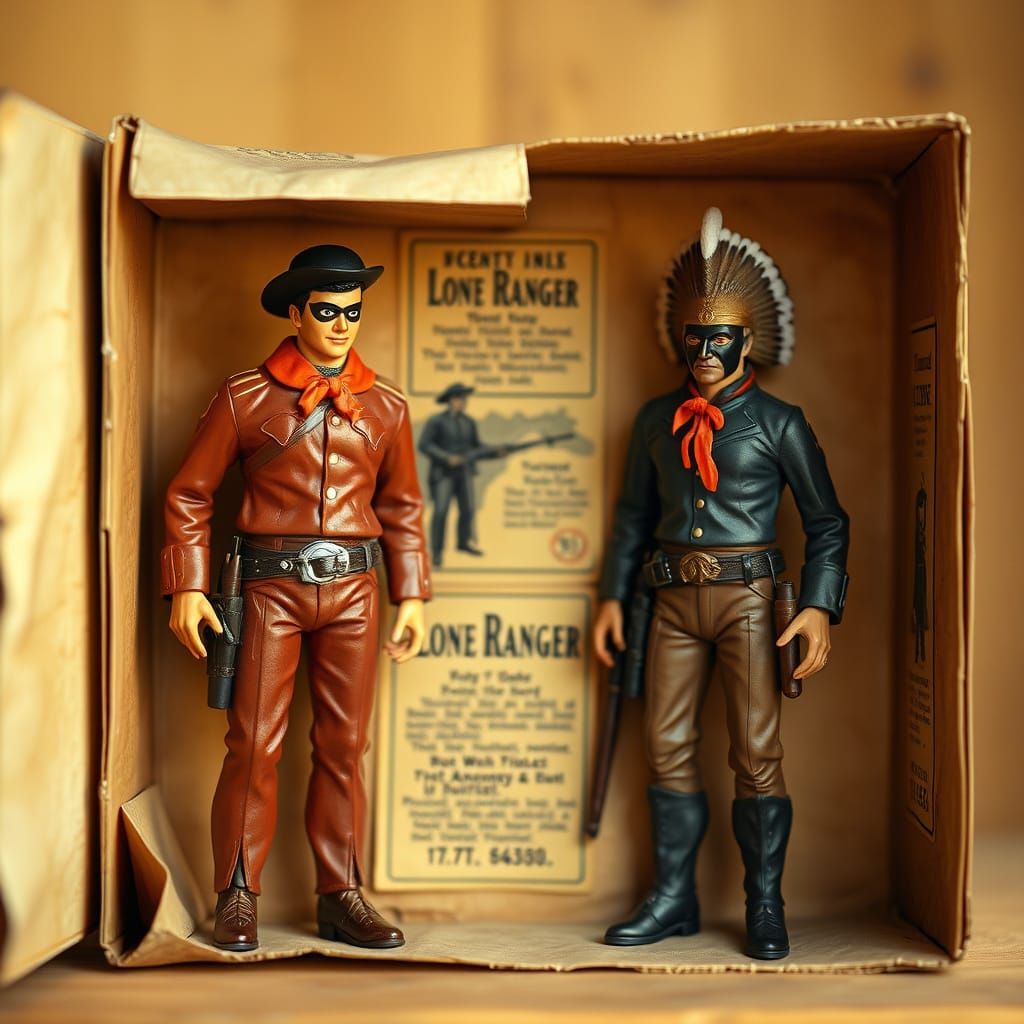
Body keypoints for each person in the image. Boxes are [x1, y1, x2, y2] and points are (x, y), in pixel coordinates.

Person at [593, 208, 849, 960]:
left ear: (747, 339)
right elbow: (632, 516)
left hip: (750, 601)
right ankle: (673, 898)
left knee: (757, 751)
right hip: (669, 600)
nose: (706, 352)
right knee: (665, 745)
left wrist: (819, 606)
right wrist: (611, 597)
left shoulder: (779, 422)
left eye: (721, 338)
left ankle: (764, 902)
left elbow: (827, 522)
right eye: (695, 337)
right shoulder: (654, 421)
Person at [161, 244, 431, 952]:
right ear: (295, 313)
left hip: (355, 590)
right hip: (268, 588)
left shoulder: (387, 405)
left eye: (352, 312)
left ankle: (342, 892)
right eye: (326, 311)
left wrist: (412, 594)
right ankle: (238, 891)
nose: (341, 325)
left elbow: (403, 506)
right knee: (253, 743)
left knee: (345, 746)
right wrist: (187, 583)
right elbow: (189, 493)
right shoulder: (244, 397)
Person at [418, 383, 502, 565]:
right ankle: (437, 552)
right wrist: (446, 458)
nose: (462, 402)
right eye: (458, 398)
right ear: (450, 400)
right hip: (443, 474)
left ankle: (463, 544)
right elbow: (424, 445)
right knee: (441, 512)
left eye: (464, 399)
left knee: (468, 509)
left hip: (464, 473)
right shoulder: (436, 421)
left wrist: (496, 451)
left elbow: (476, 447)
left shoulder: (468, 422)